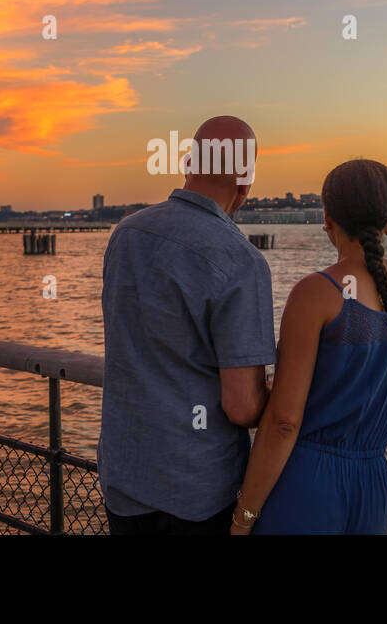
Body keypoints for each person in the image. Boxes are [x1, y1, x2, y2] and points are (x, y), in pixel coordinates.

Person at [98, 116, 276, 535]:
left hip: (125, 477)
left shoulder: (126, 235)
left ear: (188, 163)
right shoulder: (242, 262)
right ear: (246, 181)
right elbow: (242, 406)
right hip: (198, 491)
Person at [230, 158, 387, 535]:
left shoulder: (317, 292)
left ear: (327, 217)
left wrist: (244, 517)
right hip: (373, 485)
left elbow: (284, 423)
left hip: (306, 485)